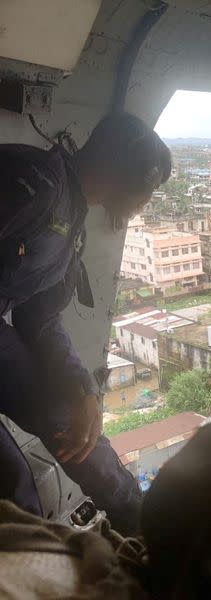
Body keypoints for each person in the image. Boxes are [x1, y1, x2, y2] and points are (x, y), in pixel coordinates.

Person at [0, 113, 171, 534]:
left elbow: (37, 312)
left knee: (71, 424)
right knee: (14, 490)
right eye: (149, 188)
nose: (147, 201)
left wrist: (82, 388)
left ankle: (143, 528)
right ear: (124, 173)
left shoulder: (67, 211)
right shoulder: (28, 185)